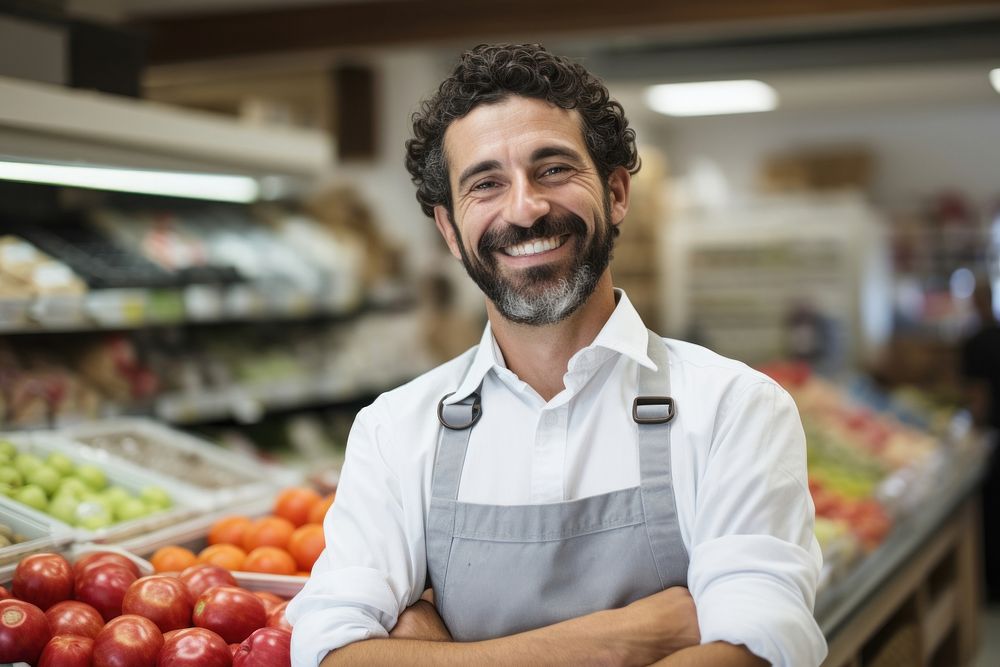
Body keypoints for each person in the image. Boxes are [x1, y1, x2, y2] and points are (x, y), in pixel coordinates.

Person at [286, 43, 827, 666]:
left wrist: (435, 650)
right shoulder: (394, 430)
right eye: (486, 183)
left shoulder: (734, 408)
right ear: (449, 231)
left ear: (617, 192)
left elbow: (757, 650)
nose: (525, 208)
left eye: (553, 170)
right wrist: (630, 637)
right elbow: (331, 653)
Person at [960, 275, 1000, 602]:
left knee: (990, 509)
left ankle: (990, 583)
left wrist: (974, 436)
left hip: (991, 435)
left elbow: (978, 395)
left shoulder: (973, 342)